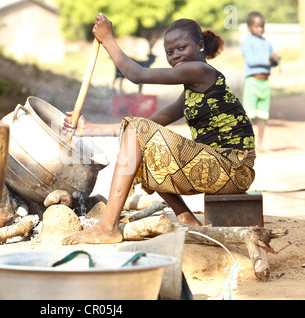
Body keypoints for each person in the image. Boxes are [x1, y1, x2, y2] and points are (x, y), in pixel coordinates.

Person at [62, 14, 256, 245]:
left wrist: (108, 40)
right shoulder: (192, 92)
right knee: (142, 144)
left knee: (140, 133)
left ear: (200, 46)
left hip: (234, 167)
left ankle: (107, 226)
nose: (175, 56)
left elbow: (137, 75)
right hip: (221, 167)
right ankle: (187, 219)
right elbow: (144, 127)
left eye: (181, 48)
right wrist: (88, 128)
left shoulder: (201, 71)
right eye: (170, 52)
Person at [241, 11, 281, 151]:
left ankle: (261, 144)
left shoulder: (267, 43)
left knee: (263, 115)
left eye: (262, 26)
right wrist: (269, 59)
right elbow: (251, 61)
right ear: (249, 27)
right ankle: (248, 145)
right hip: (252, 82)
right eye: (257, 26)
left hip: (265, 83)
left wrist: (276, 60)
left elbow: (272, 63)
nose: (260, 29)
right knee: (250, 115)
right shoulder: (247, 42)